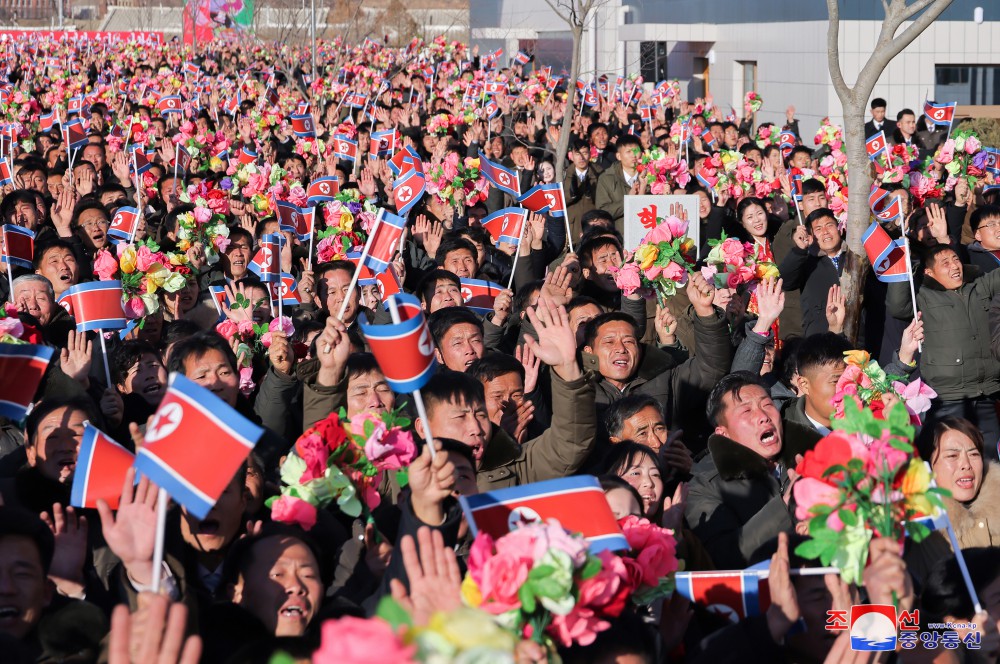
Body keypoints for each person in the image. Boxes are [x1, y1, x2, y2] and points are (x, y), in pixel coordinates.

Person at [685, 372, 821, 568]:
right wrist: (786, 505)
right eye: (746, 411)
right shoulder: (705, 486)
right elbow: (722, 556)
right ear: (724, 434)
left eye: (767, 405)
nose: (763, 417)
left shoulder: (815, 452)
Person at [886, 244, 1000, 458]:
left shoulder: (979, 284)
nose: (954, 266)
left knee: (991, 462)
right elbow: (897, 306)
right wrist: (903, 269)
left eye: (956, 259)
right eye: (945, 263)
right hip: (948, 398)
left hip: (985, 393)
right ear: (929, 272)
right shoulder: (923, 294)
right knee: (954, 458)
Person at [780, 208, 845, 336]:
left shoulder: (855, 257)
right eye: (818, 229)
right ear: (811, 236)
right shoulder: (806, 261)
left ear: (838, 228)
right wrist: (799, 250)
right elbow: (785, 282)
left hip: (858, 334)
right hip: (819, 336)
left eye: (829, 225)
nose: (825, 232)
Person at [595, 134, 643, 231]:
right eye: (628, 152)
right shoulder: (606, 178)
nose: (633, 155)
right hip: (619, 236)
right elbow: (602, 212)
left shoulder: (650, 176)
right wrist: (627, 201)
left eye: (636, 151)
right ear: (618, 156)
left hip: (647, 236)